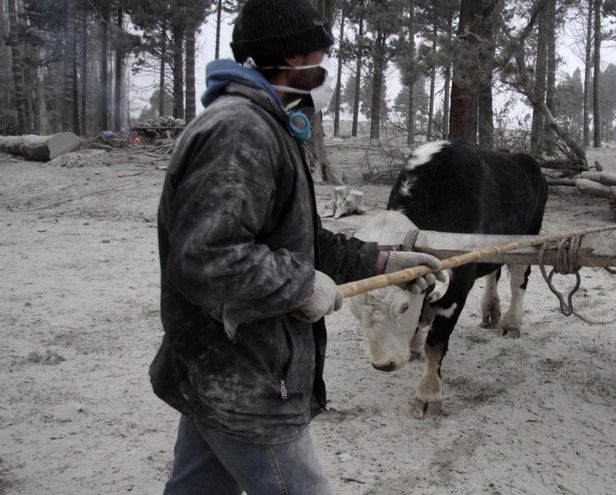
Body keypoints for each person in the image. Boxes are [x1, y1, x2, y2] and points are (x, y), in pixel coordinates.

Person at [149, 1, 443, 493]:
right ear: (291, 60)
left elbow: (298, 239)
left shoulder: (265, 123)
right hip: (247, 378)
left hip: (214, 367)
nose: (325, 71)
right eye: (320, 57)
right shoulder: (239, 131)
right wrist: (299, 286)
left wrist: (382, 260)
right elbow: (206, 257)